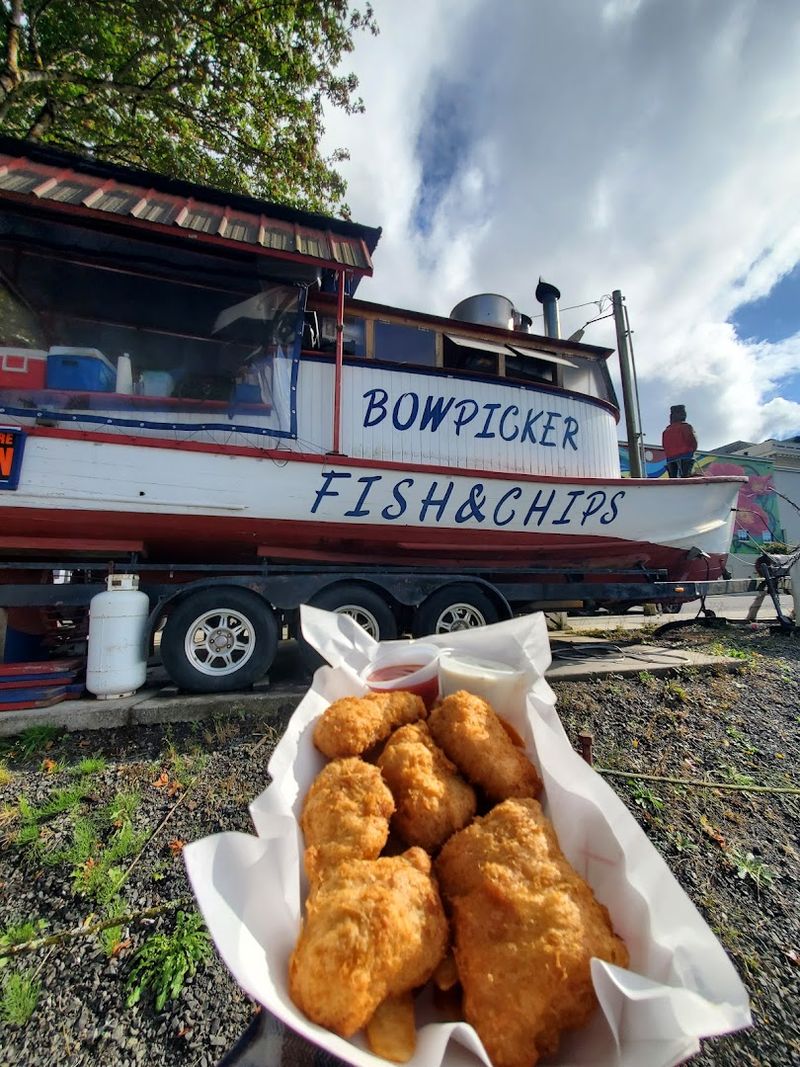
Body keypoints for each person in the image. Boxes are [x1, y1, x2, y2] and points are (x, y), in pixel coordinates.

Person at [662, 404, 697, 478]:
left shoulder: (666, 431)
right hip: (686, 457)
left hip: (670, 459)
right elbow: (693, 442)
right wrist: (692, 450)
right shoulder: (686, 427)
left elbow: (664, 446)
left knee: (673, 479)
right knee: (686, 477)